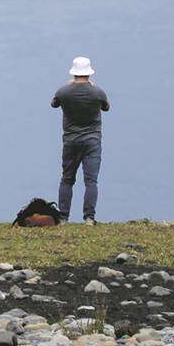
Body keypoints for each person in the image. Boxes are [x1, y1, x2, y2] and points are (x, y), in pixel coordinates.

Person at [52, 56, 109, 223]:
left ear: (74, 73)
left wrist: (68, 86)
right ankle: (89, 218)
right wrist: (94, 87)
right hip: (92, 140)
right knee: (91, 181)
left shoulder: (63, 92)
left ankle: (63, 218)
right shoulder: (97, 92)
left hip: (70, 140)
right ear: (89, 73)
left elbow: (54, 104)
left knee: (67, 179)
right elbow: (106, 107)